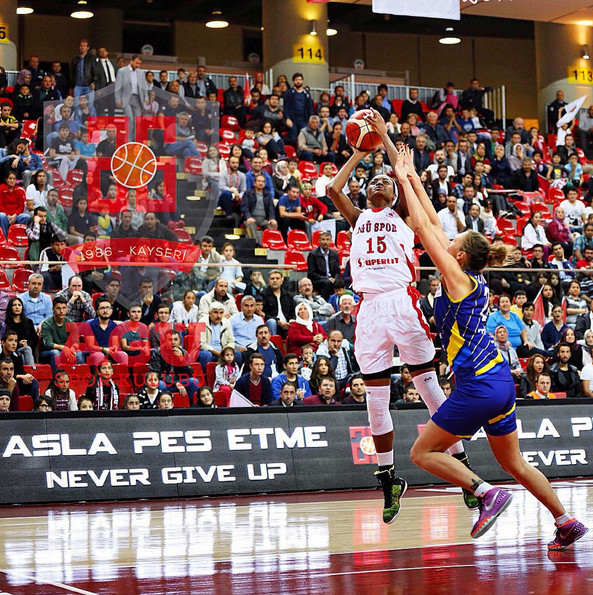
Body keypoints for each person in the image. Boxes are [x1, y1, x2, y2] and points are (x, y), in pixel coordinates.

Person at [392, 145, 587, 548]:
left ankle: (486, 493)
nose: (446, 239)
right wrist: (410, 175)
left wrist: (400, 172)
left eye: (454, 239)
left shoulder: (456, 279)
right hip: (499, 380)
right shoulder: (467, 276)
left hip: (478, 384)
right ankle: (566, 521)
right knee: (513, 461)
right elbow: (428, 220)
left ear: (459, 254)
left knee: (421, 454)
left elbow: (422, 228)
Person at [327, 110, 478, 523]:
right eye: (373, 182)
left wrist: (386, 138)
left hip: (402, 300)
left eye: (385, 182)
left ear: (394, 195)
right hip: (369, 308)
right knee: (376, 404)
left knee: (430, 392)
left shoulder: (406, 218)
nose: (380, 183)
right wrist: (360, 152)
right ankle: (388, 478)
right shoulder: (359, 219)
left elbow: (405, 174)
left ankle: (463, 470)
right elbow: (332, 187)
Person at [307, 231, 341, 302]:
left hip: (331, 279)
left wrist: (335, 279)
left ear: (331, 241)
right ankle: (324, 303)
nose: (325, 242)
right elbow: (311, 273)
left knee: (341, 283)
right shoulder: (313, 254)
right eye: (323, 239)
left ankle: (339, 304)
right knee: (326, 283)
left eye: (327, 239)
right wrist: (327, 278)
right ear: (319, 241)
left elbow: (337, 271)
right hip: (317, 280)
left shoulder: (335, 254)